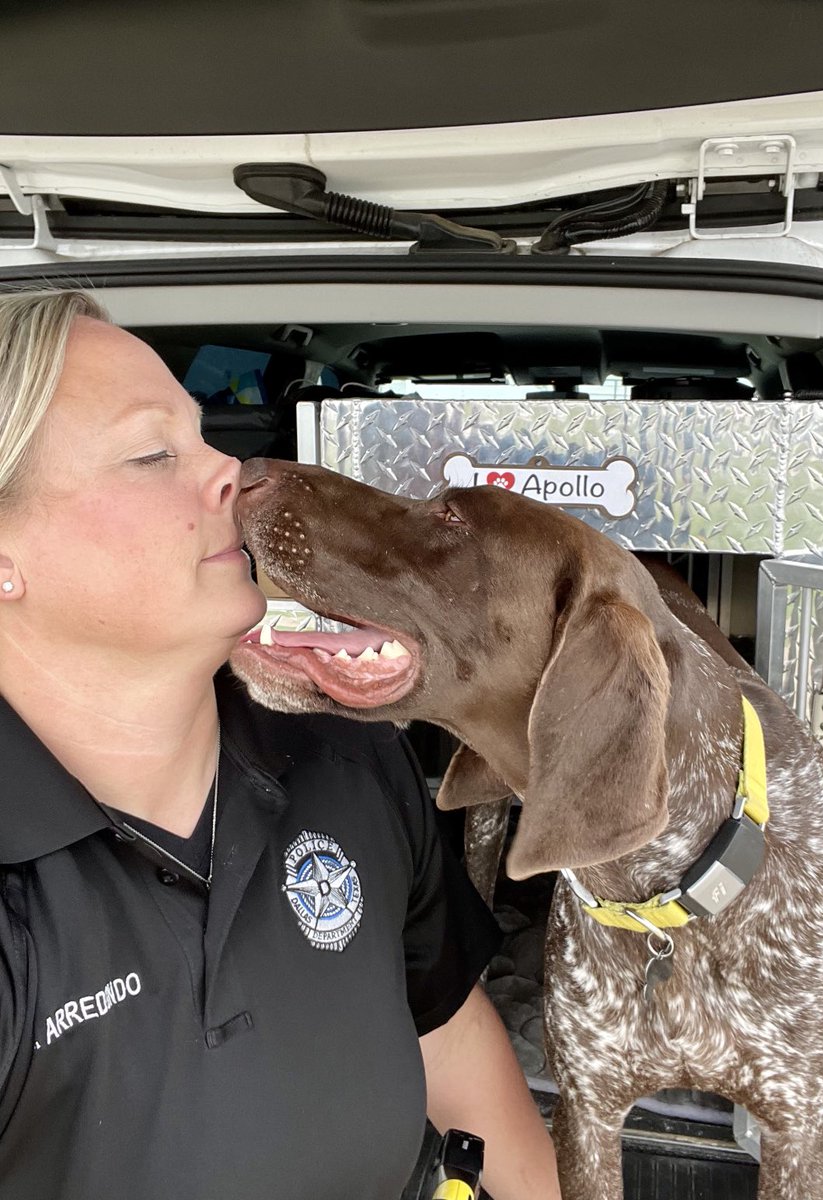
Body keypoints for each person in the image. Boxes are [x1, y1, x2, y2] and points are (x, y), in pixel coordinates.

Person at [0, 290, 562, 1200]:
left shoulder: (349, 758)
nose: (232, 469)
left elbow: (462, 1066)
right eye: (153, 453)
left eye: (207, 433)